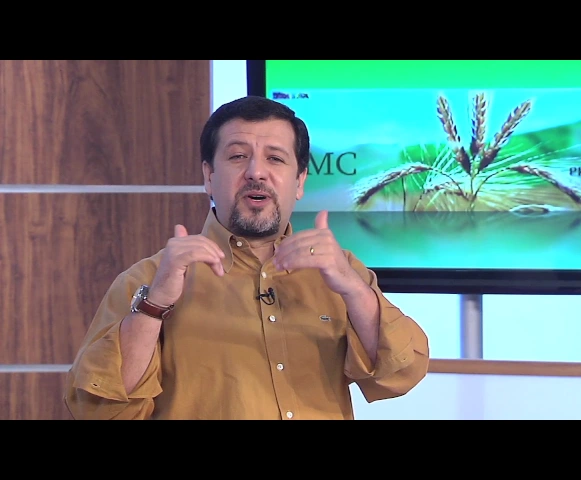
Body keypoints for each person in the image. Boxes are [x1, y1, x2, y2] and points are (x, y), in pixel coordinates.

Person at [64, 95, 430, 420]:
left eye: (275, 158)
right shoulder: (147, 280)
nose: (256, 172)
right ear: (209, 176)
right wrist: (154, 305)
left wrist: (353, 290)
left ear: (300, 181)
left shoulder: (338, 270)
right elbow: (98, 410)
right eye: (238, 156)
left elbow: (402, 374)